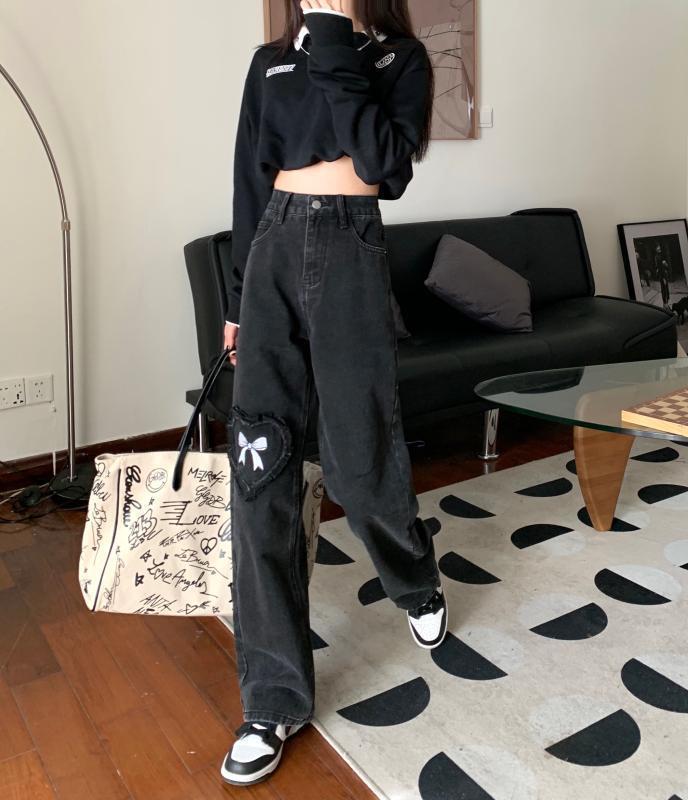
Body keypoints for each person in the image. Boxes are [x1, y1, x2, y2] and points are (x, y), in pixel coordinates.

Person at [219, 0, 447, 787]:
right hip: (273, 252)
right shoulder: (268, 63)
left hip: (352, 247)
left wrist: (335, 40)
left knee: (360, 456)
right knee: (261, 471)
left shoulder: (400, 59)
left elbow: (383, 165)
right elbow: (249, 178)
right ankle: (271, 700)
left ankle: (415, 580)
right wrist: (237, 300)